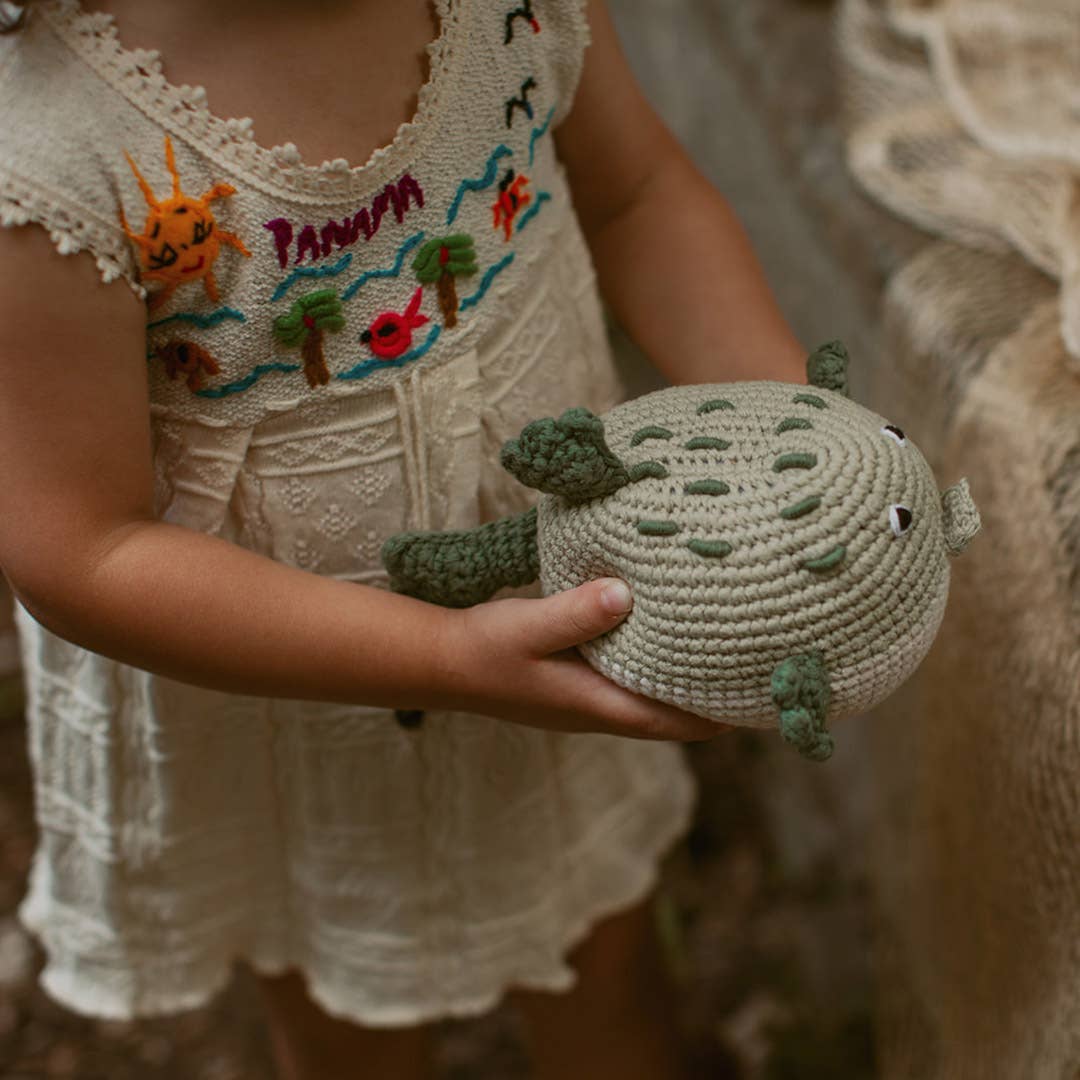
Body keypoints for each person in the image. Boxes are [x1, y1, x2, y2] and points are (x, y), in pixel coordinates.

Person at [0, 0, 806, 1076]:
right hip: (284, 697)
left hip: (551, 591)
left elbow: (639, 196)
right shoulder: (52, 149)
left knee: (607, 972)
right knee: (349, 1015)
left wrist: (798, 435)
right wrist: (445, 657)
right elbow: (82, 549)